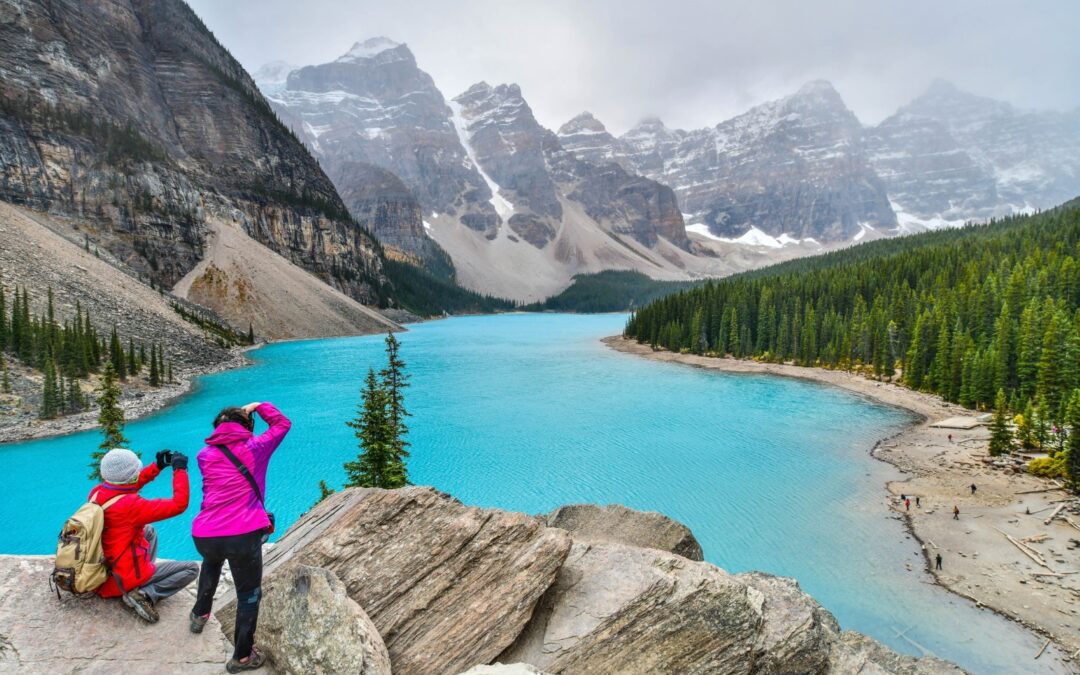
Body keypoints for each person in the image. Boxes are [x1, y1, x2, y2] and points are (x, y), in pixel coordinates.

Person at [191, 402, 291, 673]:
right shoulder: (255, 448)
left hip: (205, 533)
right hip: (242, 535)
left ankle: (199, 614)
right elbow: (282, 425)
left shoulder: (204, 455)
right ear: (246, 425)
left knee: (211, 562)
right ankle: (242, 657)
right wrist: (260, 406)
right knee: (248, 594)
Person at [90, 447, 196, 623]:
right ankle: (145, 593)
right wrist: (180, 471)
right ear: (131, 475)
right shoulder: (132, 506)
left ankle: (142, 577)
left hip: (103, 572)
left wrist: (157, 467)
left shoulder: (97, 492)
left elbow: (125, 487)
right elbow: (179, 505)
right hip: (122, 580)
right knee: (191, 569)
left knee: (149, 531)